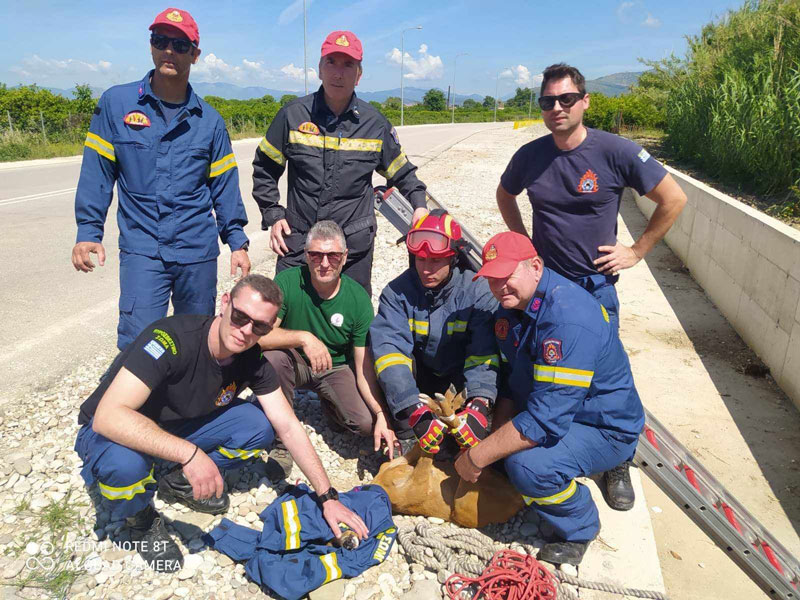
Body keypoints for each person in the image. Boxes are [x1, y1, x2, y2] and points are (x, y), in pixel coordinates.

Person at [74, 274, 367, 572]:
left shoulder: (251, 358)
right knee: (124, 466)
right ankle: (140, 521)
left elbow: (288, 426)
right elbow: (107, 417)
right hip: (112, 429)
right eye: (240, 316)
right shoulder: (171, 339)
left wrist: (328, 497)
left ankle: (177, 481)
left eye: (260, 326)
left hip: (176, 425)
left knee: (258, 427)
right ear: (225, 302)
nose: (245, 331)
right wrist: (189, 454)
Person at [495, 63, 686, 508]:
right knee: (544, 366)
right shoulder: (530, 156)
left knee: (606, 378)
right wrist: (523, 243)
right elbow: (505, 195)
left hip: (595, 286)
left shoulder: (616, 151)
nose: (557, 108)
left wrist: (636, 251)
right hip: (545, 290)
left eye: (566, 99)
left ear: (584, 101)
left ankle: (617, 460)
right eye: (548, 101)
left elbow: (673, 199)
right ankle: (551, 442)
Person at [455, 232, 645, 566]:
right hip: (564, 410)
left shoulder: (568, 318)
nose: (500, 288)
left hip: (603, 425)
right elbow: (514, 386)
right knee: (503, 457)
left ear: (536, 266)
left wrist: (478, 457)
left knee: (526, 466)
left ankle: (580, 526)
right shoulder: (514, 310)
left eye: (507, 276)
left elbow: (544, 421)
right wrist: (493, 444)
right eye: (493, 280)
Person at [72, 7, 251, 351]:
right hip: (143, 250)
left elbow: (224, 188)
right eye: (161, 40)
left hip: (196, 252)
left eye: (180, 44)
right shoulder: (116, 104)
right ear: (151, 46)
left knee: (196, 341)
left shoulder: (210, 121)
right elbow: (97, 173)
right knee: (141, 343)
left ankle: (188, 406)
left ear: (195, 54)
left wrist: (237, 242)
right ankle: (136, 406)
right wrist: (88, 232)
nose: (169, 50)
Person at [251, 30, 428, 296]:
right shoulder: (293, 115)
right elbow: (265, 168)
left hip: (351, 248)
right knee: (284, 316)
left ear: (359, 74)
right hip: (299, 242)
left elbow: (402, 173)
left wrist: (419, 206)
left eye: (348, 65)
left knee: (351, 323)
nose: (338, 73)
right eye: (331, 62)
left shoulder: (374, 124)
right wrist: (273, 215)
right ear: (319, 69)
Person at [258, 221, 396, 477]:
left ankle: (330, 405)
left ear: (344, 258)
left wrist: (380, 414)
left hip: (334, 367)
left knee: (364, 424)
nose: (324, 263)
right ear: (306, 256)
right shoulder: (287, 282)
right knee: (272, 359)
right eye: (316, 255)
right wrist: (304, 338)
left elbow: (363, 366)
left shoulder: (358, 299)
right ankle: (281, 442)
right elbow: (260, 337)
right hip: (294, 361)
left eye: (332, 256)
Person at [369, 210, 499, 456]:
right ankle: (406, 434)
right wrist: (413, 410)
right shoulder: (396, 293)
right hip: (420, 383)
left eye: (436, 261)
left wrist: (479, 406)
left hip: (463, 382)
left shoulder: (477, 292)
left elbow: (483, 355)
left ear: (453, 258)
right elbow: (391, 354)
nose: (426, 268)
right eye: (420, 259)